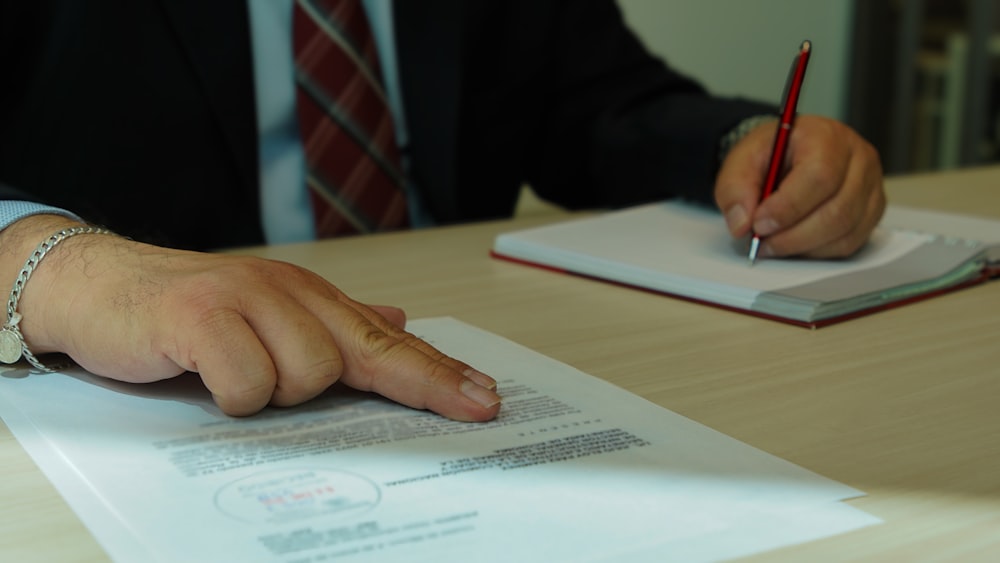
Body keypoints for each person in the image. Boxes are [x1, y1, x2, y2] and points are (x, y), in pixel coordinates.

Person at [0, 0, 885, 422]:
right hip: (168, 402)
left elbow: (599, 102)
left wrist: (744, 138)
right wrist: (50, 266)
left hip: (456, 348)